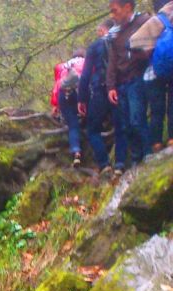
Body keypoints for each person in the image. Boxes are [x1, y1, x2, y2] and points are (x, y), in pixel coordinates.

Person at [107, 0, 154, 174]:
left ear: (127, 7)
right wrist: (110, 86)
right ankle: (136, 159)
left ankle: (148, 152)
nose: (112, 15)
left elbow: (151, 49)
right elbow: (112, 61)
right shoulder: (115, 33)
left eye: (115, 11)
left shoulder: (143, 22)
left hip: (137, 78)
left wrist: (137, 51)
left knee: (137, 119)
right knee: (126, 124)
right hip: (121, 84)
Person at [131, 0, 173, 150]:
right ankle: (171, 138)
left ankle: (156, 142)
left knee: (157, 109)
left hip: (154, 71)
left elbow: (133, 42)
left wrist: (150, 51)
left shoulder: (157, 20)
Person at [79, 20, 118, 170]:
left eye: (98, 31)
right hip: (120, 88)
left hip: (100, 90)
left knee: (93, 129)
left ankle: (104, 163)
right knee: (121, 127)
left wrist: (82, 99)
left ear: (103, 30)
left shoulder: (95, 46)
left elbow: (86, 74)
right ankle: (121, 164)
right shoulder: (122, 40)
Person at [53, 49, 87, 165]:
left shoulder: (63, 67)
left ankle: (76, 150)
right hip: (79, 92)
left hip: (64, 94)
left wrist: (55, 105)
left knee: (72, 125)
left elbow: (57, 85)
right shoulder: (86, 62)